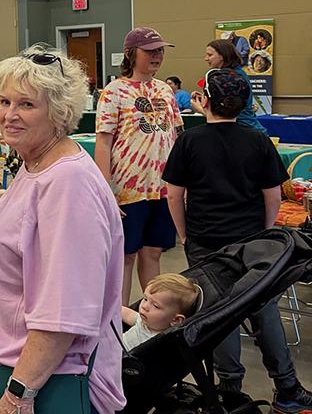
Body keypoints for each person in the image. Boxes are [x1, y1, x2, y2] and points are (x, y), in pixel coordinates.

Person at [0, 47, 125, 414]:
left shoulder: (67, 183)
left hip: (46, 381)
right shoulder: (36, 163)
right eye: (5, 101)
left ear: (58, 112)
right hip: (21, 367)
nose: (9, 115)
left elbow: (64, 311)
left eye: (26, 104)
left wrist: (19, 394)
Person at [163, 68, 312, 409]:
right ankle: (287, 388)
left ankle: (230, 391)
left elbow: (174, 195)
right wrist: (264, 233)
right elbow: (272, 195)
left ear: (207, 101)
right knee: (265, 309)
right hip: (252, 242)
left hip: (206, 240)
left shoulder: (189, 140)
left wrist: (185, 234)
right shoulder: (257, 140)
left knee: (219, 315)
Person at [95, 27, 182, 306]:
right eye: (151, 51)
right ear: (132, 54)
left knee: (153, 252)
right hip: (127, 189)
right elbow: (103, 143)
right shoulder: (113, 92)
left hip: (162, 189)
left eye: (160, 51)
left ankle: (152, 318)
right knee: (125, 255)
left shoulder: (165, 90)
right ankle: (117, 323)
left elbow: (176, 136)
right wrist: (105, 188)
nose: (157, 56)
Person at [197, 39, 267, 133]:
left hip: (244, 131)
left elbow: (226, 115)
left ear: (223, 56)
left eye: (210, 55)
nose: (206, 58)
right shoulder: (237, 75)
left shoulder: (233, 77)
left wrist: (200, 109)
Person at [121, 273, 200, 350]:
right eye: (145, 299)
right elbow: (125, 313)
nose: (144, 306)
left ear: (176, 320)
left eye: (155, 306)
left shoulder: (160, 343)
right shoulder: (143, 321)